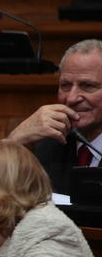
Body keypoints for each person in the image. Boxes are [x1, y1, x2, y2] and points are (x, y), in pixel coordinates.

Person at [6, 39, 102, 195]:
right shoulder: (46, 145)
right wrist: (13, 142)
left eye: (88, 86)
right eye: (65, 85)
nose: (71, 98)